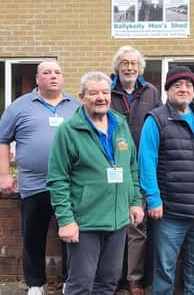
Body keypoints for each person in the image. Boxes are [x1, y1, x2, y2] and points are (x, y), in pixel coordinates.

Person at [47, 71, 144, 295]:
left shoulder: (120, 125)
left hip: (118, 220)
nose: (101, 98)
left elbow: (131, 166)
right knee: (80, 285)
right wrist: (66, 220)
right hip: (86, 222)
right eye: (93, 93)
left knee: (108, 282)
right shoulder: (68, 131)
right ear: (82, 97)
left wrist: (135, 202)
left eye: (105, 92)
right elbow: (57, 179)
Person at [0, 60, 80, 295]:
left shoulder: (76, 106)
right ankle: (35, 284)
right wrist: (4, 174)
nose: (53, 76)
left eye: (57, 72)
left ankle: (71, 282)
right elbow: (1, 140)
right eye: (47, 73)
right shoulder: (19, 107)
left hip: (70, 185)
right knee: (33, 236)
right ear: (37, 78)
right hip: (34, 185)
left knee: (72, 236)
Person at [138, 66, 194, 295]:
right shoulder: (156, 120)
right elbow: (146, 161)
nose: (183, 89)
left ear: (193, 90)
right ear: (167, 90)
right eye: (177, 85)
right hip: (170, 211)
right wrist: (153, 199)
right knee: (165, 268)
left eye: (188, 85)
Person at [110, 45, 162, 295]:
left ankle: (134, 278)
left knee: (137, 227)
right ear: (117, 67)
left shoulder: (151, 92)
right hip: (110, 167)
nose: (129, 68)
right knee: (110, 224)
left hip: (141, 170)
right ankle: (111, 276)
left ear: (140, 68)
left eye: (133, 64)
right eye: (124, 63)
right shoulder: (106, 91)